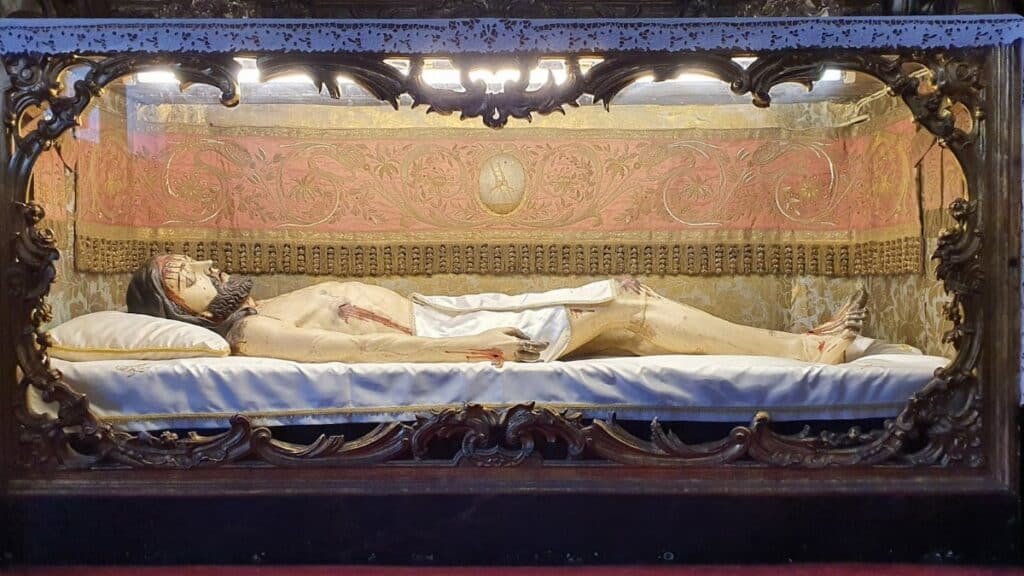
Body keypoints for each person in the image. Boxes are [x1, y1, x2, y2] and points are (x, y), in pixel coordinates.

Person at [126, 254, 866, 366]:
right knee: (630, 310)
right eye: (186, 277)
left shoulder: (255, 305)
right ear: (180, 312)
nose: (206, 267)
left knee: (630, 306)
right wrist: (474, 344)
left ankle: (799, 341)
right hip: (452, 332)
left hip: (445, 312)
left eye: (194, 260)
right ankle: (805, 350)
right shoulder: (251, 331)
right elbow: (359, 351)